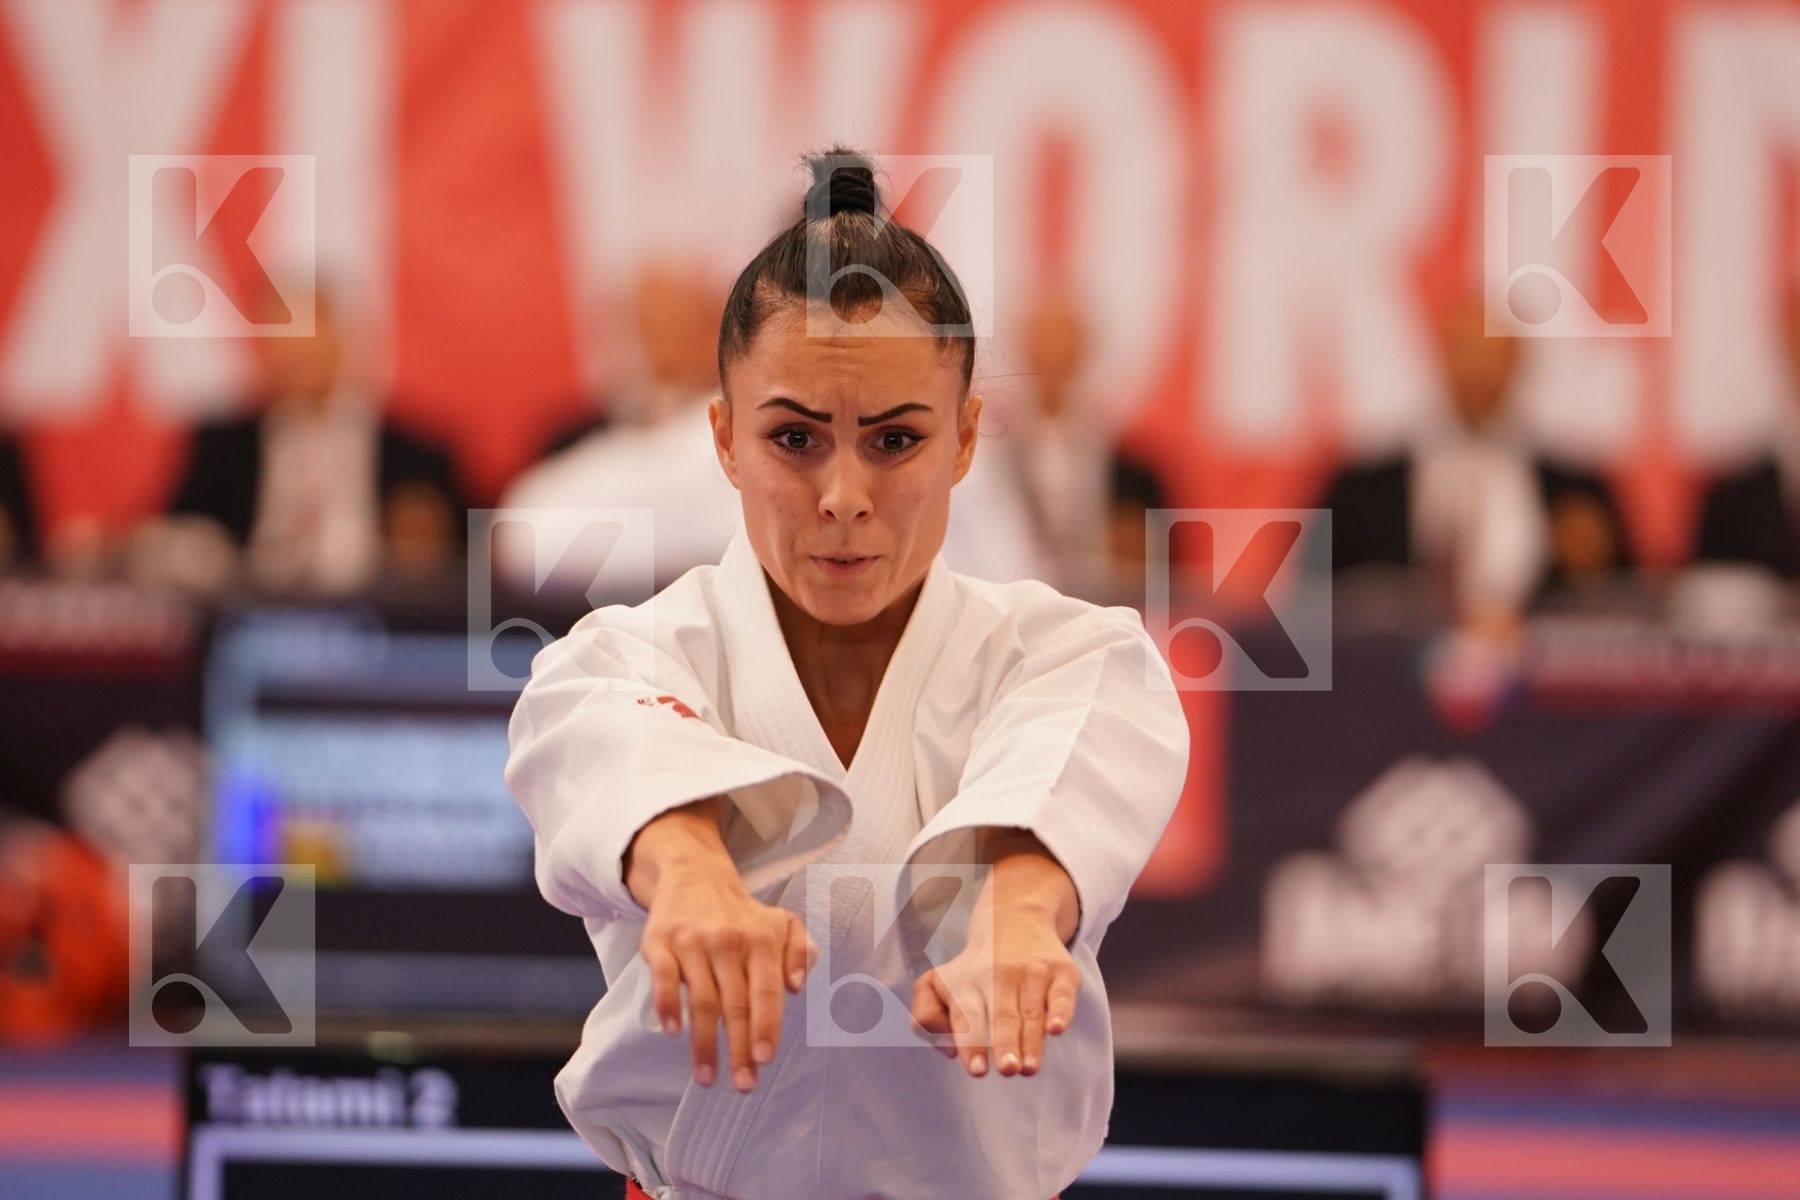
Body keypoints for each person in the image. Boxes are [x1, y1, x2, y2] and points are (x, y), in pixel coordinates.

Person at [504, 148, 1190, 1200]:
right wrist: (688, 876)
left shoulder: (1072, 655)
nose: (842, 495)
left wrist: (1019, 915)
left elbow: (1067, 782)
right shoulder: (616, 658)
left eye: (894, 441)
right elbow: (611, 755)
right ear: (724, 437)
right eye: (794, 439)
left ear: (966, 440)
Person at [157, 288, 463, 594]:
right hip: (252, 610)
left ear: (344, 339)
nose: (301, 350)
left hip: (378, 612)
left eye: (312, 334)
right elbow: (175, 534)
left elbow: (464, 550)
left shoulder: (416, 453)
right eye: (286, 337)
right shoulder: (223, 448)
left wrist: (424, 544)